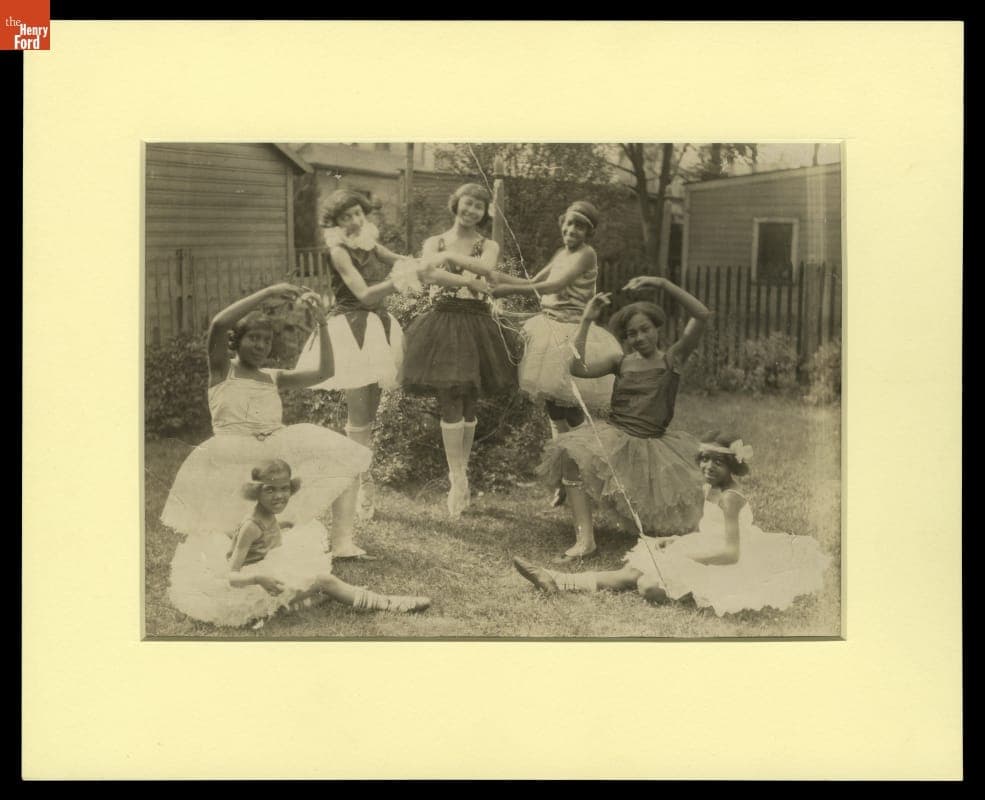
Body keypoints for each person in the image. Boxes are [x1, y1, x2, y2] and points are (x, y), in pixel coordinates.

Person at [513, 432, 832, 616]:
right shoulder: (711, 489)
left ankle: (561, 581)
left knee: (647, 586)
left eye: (717, 461)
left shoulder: (731, 499)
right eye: (704, 459)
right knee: (635, 573)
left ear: (733, 465)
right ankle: (555, 579)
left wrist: (687, 556)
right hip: (704, 548)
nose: (708, 466)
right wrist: (677, 540)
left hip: (724, 562)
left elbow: (731, 553)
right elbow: (707, 532)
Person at [159, 283, 372, 555]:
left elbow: (324, 372)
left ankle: (342, 542)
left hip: (275, 445)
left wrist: (322, 324)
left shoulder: (273, 376)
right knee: (232, 536)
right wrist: (268, 294)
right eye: (254, 338)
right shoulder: (223, 370)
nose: (261, 345)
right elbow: (219, 323)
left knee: (347, 454)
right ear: (236, 341)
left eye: (267, 340)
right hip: (233, 449)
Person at [536, 276, 711, 562]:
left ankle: (654, 531)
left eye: (645, 330)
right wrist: (586, 320)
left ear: (657, 328)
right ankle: (585, 541)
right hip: (616, 435)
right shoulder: (621, 362)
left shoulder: (672, 359)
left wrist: (663, 284)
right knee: (570, 455)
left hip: (652, 445)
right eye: (632, 334)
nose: (639, 338)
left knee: (659, 529)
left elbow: (702, 315)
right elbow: (576, 367)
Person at [293, 189, 432, 544]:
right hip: (351, 330)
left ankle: (362, 478)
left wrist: (424, 262)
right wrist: (401, 279)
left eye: (358, 213)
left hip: (377, 329)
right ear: (335, 224)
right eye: (346, 217)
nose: (354, 221)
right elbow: (365, 295)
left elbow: (398, 258)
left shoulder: (369, 242)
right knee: (358, 418)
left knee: (369, 414)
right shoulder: (338, 251)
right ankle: (359, 486)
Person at [168, 459, 431, 628]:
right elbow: (230, 575)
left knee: (314, 575)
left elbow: (266, 540)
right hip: (249, 587)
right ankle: (386, 603)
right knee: (323, 580)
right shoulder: (251, 526)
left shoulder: (268, 516)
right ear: (257, 492)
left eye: (283, 488)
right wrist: (259, 578)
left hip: (266, 572)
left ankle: (309, 601)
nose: (279, 495)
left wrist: (280, 527)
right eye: (270, 490)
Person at [490, 200, 623, 507]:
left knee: (573, 409)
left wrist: (507, 291)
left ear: (588, 232)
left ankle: (586, 477)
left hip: (572, 333)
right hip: (548, 331)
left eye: (579, 226)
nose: (571, 230)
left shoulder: (587, 254)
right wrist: (493, 278)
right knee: (554, 409)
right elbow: (535, 282)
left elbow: (556, 284)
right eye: (568, 223)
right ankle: (565, 479)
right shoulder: (561, 252)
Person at [401, 182, 522, 518]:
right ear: (456, 204)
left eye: (479, 207)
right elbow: (428, 274)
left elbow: (486, 268)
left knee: (469, 402)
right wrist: (465, 281)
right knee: (450, 399)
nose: (471, 211)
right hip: (442, 323)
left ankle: (461, 475)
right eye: (467, 204)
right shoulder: (432, 242)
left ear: (484, 213)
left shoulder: (488, 244)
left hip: (476, 324)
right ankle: (456, 479)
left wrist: (450, 260)